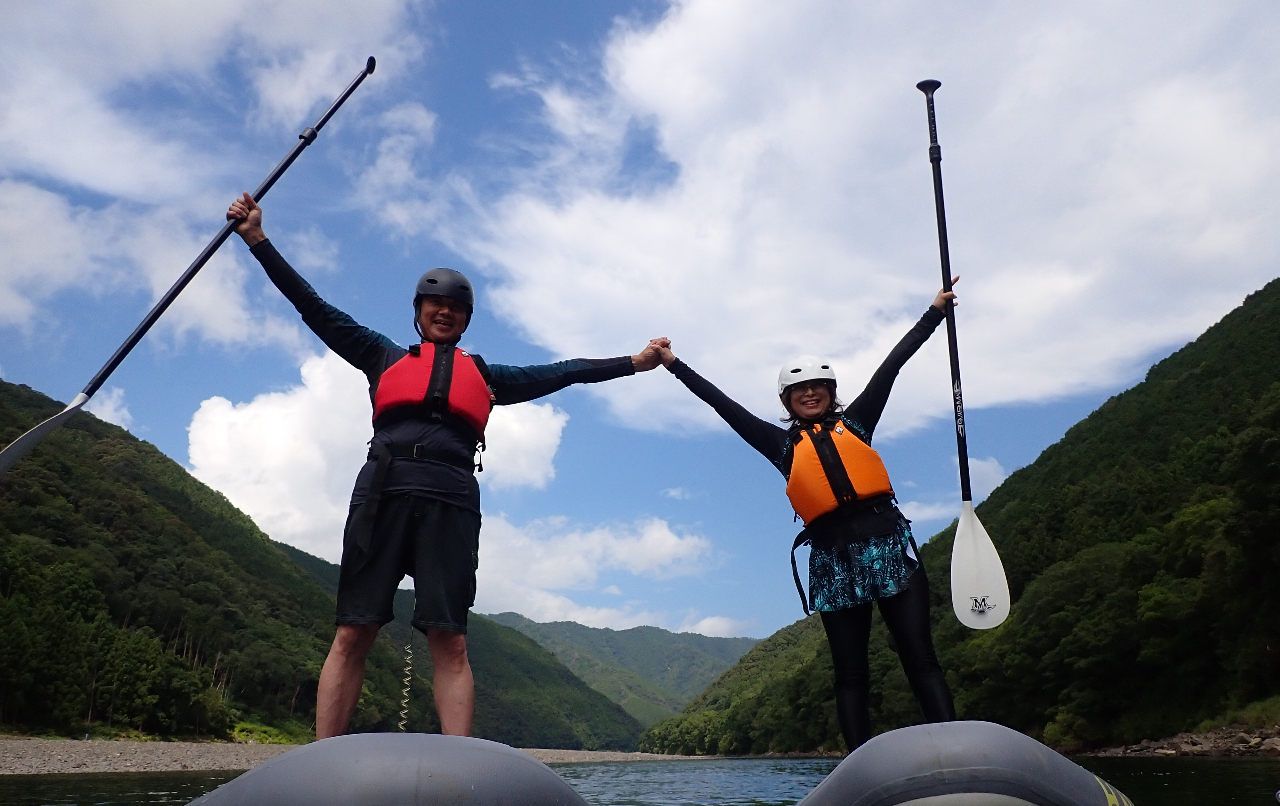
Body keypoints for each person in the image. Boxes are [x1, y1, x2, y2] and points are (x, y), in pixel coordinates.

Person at [227, 192, 665, 739]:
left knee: (450, 637)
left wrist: (634, 363)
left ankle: (458, 761)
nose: (444, 312)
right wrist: (256, 240)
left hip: (451, 499)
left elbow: (566, 370)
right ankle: (323, 754)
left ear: (465, 320)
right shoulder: (380, 354)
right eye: (434, 305)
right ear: (418, 314)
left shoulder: (487, 375)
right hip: (382, 494)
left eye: (455, 308)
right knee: (352, 631)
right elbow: (313, 307)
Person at [649, 285, 959, 751]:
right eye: (798, 390)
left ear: (831, 393)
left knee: (920, 658)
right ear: (787, 400)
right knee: (850, 674)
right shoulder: (780, 446)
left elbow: (891, 366)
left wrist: (934, 313)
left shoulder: (855, 424)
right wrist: (674, 364)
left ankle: (954, 746)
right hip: (834, 563)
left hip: (888, 549)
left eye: (817, 387)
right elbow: (721, 402)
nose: (809, 393)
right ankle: (859, 764)